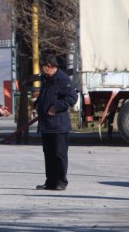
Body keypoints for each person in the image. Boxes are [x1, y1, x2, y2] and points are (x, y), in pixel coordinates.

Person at [34, 53, 78, 191]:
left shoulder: (62, 79)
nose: (41, 70)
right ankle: (50, 181)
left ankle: (61, 181)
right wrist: (38, 104)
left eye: (42, 67)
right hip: (46, 124)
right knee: (49, 155)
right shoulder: (46, 79)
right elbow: (44, 95)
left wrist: (56, 107)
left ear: (49, 66)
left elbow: (72, 97)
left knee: (59, 155)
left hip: (59, 125)